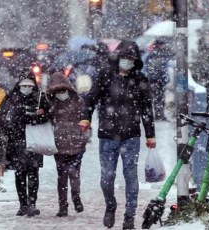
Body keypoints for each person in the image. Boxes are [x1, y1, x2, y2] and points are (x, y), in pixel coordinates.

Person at [79, 40, 156, 229]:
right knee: (107, 177)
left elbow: (146, 109)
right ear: (118, 57)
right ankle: (110, 204)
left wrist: (150, 134)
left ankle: (129, 216)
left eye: (131, 59)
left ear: (135, 60)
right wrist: (85, 118)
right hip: (107, 134)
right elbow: (91, 98)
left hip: (131, 135)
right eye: (124, 58)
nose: (127, 61)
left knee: (130, 176)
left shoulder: (140, 80)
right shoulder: (105, 75)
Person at [0, 74, 50, 217]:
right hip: (16, 140)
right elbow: (0, 114)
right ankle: (23, 205)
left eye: (29, 86)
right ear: (18, 86)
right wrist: (9, 128)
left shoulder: (39, 98)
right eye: (23, 86)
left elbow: (49, 114)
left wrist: (36, 118)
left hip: (34, 139)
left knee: (33, 171)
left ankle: (32, 204)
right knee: (20, 173)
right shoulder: (12, 97)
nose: (26, 89)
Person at [46, 72, 89, 217]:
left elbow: (86, 121)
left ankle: (76, 199)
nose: (61, 94)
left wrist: (84, 138)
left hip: (77, 144)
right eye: (57, 91)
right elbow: (46, 119)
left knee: (74, 174)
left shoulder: (78, 101)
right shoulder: (51, 104)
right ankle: (63, 206)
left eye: (63, 90)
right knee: (62, 177)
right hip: (59, 145)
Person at [145, 39, 174, 121]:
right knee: (159, 98)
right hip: (157, 80)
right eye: (162, 44)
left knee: (157, 98)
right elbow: (160, 67)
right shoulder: (157, 54)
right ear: (159, 45)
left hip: (156, 79)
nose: (164, 46)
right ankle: (159, 115)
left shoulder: (153, 54)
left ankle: (158, 115)